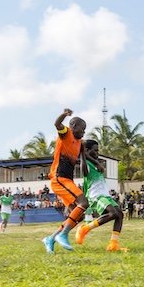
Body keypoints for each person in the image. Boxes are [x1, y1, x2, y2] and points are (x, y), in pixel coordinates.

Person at [42, 108, 88, 253]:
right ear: (73, 126)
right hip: (59, 178)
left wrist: (84, 161)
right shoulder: (66, 133)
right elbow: (57, 124)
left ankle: (51, 238)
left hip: (68, 180)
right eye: (82, 129)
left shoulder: (80, 142)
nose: (84, 132)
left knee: (78, 215)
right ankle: (63, 234)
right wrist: (65, 115)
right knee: (84, 203)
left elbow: (82, 151)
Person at [75, 140, 127, 251]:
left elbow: (95, 162)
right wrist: (83, 155)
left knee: (119, 214)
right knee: (113, 213)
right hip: (95, 196)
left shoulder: (96, 163)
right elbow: (84, 169)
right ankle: (85, 229)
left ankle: (113, 244)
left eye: (98, 150)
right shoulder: (87, 164)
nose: (97, 153)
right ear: (87, 151)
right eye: (95, 150)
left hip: (105, 195)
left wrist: (94, 160)